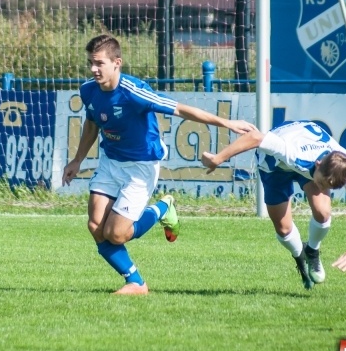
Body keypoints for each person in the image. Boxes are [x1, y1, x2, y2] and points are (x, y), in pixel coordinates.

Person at [62, 34, 257, 295]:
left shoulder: (135, 92)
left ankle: (163, 208)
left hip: (141, 166)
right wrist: (77, 160)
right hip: (111, 162)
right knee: (96, 226)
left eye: (99, 63)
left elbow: (182, 110)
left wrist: (228, 124)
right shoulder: (88, 90)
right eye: (91, 63)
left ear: (116, 63)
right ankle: (136, 283)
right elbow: (92, 124)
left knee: (116, 234)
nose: (94, 69)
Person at [201, 120, 346, 290]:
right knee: (283, 228)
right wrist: (218, 158)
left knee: (323, 211)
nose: (323, 189)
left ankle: (312, 251)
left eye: (328, 187)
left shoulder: (344, 168)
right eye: (322, 184)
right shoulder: (293, 152)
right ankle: (300, 258)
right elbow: (254, 137)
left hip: (308, 154)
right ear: (318, 165)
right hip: (274, 166)